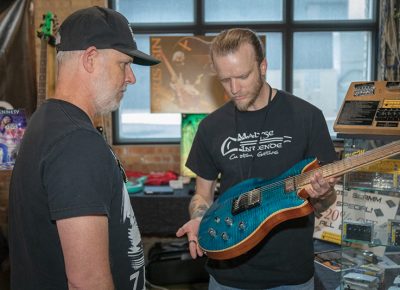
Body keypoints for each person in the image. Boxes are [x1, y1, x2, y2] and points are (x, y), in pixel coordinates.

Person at [8, 6, 159, 290]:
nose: (131, 77)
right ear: (90, 58)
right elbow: (87, 282)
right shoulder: (75, 142)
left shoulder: (47, 120)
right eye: (123, 64)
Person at [176, 28, 339, 290]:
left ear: (262, 66)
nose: (234, 89)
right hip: (227, 274)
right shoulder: (210, 127)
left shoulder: (307, 117)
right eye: (224, 79)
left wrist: (323, 194)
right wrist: (200, 218)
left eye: (242, 76)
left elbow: (325, 202)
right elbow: (202, 195)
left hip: (291, 276)